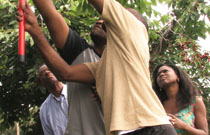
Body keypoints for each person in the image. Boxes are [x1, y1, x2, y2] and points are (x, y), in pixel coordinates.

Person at [17, 0, 177, 135]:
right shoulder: (105, 65)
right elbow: (65, 73)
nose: (102, 20)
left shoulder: (133, 28)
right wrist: (34, 30)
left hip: (152, 129)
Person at [31, 0, 106, 134]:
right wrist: (33, 28)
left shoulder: (122, 67)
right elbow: (50, 15)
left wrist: (35, 31)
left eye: (106, 23)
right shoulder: (81, 54)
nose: (99, 22)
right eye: (99, 19)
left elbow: (65, 73)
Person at [152, 64, 208, 135]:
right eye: (158, 75)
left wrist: (184, 126)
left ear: (177, 76)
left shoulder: (195, 102)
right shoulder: (156, 105)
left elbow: (204, 133)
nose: (161, 74)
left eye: (165, 71)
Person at [38, 64, 68, 135]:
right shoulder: (44, 109)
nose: (47, 72)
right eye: (43, 73)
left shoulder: (77, 92)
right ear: (41, 83)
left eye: (50, 69)